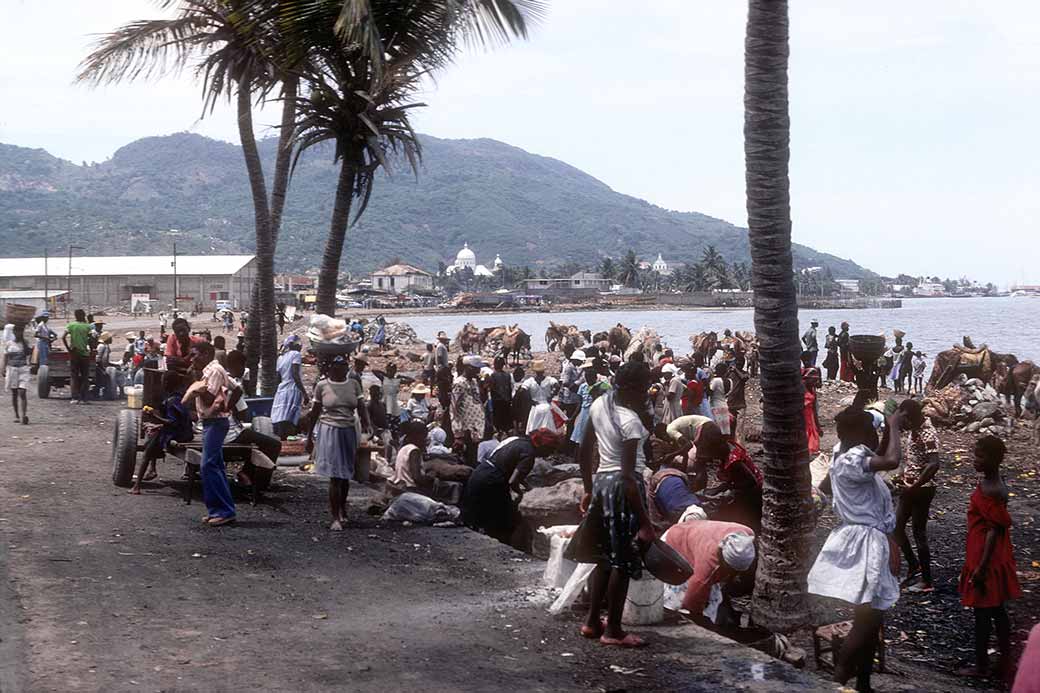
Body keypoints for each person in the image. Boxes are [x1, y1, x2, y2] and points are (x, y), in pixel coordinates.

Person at [808, 405, 906, 693]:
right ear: (858, 434)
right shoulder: (851, 461)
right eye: (870, 432)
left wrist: (888, 428)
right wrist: (895, 426)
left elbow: (880, 453)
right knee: (866, 622)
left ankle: (863, 683)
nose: (874, 437)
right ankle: (837, 682)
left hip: (868, 540)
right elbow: (891, 460)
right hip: (865, 544)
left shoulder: (846, 453)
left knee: (871, 620)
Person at [565, 362, 655, 648]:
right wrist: (645, 522)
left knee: (603, 556)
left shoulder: (599, 404)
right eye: (643, 390)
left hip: (602, 483)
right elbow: (629, 477)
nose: (645, 395)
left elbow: (583, 450)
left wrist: (589, 489)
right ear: (632, 389)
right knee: (624, 561)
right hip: (622, 488)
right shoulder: (631, 422)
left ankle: (592, 622)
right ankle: (613, 630)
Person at [957, 435, 1022, 682]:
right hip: (988, 553)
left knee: (983, 613)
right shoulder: (993, 482)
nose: (975, 460)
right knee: (997, 610)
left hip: (986, 557)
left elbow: (994, 531)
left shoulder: (991, 489)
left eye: (980, 456)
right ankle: (1005, 661)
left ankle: (982, 665)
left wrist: (982, 568)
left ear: (993, 459)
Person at [462, 429, 562, 551]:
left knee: (480, 515)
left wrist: (528, 487)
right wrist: (524, 494)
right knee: (506, 518)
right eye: (550, 450)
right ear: (543, 445)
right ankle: (506, 548)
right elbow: (512, 481)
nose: (549, 454)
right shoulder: (529, 455)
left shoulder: (518, 441)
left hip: (479, 474)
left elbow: (513, 472)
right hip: (491, 482)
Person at [306, 355, 369, 531]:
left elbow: (361, 406)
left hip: (349, 429)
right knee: (335, 475)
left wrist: (367, 424)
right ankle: (335, 517)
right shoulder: (322, 386)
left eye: (344, 365)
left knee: (346, 473)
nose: (343, 368)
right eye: (339, 365)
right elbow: (315, 412)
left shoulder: (354, 384)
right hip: (330, 430)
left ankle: (343, 510)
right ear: (331, 368)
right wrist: (309, 437)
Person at [182, 341, 237, 526]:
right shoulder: (212, 371)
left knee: (208, 466)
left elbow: (210, 398)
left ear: (206, 354)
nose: (192, 358)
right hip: (212, 422)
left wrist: (196, 388)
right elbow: (236, 388)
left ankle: (224, 511)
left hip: (215, 422)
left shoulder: (214, 371)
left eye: (195, 354)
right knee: (215, 466)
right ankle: (219, 509)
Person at [663, 521, 756, 622]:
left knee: (712, 596)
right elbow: (691, 600)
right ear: (722, 559)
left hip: (691, 530)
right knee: (677, 601)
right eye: (732, 569)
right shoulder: (707, 566)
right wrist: (698, 618)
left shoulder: (747, 534)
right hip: (674, 545)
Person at [893, 398, 941, 593]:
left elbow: (934, 464)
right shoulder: (915, 430)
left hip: (922, 490)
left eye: (904, 417)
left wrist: (915, 485)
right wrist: (903, 477)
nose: (902, 421)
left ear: (911, 415)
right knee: (896, 527)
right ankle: (914, 565)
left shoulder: (928, 432)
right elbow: (916, 460)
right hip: (911, 487)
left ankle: (927, 581)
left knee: (918, 533)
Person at [132, 370, 193, 494]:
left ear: (166, 383)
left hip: (178, 434)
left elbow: (172, 422)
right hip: (185, 432)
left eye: (163, 382)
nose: (162, 385)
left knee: (148, 450)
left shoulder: (172, 401)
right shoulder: (178, 397)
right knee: (154, 435)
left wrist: (154, 416)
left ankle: (137, 486)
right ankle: (152, 469)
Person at [223, 350, 282, 466]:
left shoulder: (220, 378)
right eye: (243, 366)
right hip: (230, 433)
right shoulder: (235, 386)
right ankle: (254, 476)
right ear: (236, 365)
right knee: (274, 444)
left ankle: (247, 473)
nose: (244, 369)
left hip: (220, 431)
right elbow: (243, 414)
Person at [647, 446, 704, 533]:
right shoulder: (679, 477)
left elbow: (654, 512)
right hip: (694, 505)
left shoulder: (654, 482)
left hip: (678, 511)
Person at [271, 335, 309, 440]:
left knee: (281, 415)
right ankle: (287, 438)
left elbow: (278, 378)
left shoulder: (281, 358)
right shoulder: (295, 355)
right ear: (294, 345)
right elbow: (295, 374)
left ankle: (281, 439)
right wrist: (304, 393)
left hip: (282, 388)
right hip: (292, 388)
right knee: (290, 417)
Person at [451, 355, 486, 466]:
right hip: (466, 428)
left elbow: (477, 401)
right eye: (476, 368)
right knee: (467, 458)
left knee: (474, 457)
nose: (478, 371)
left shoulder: (474, 382)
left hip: (476, 427)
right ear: (468, 368)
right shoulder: (459, 383)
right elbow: (454, 408)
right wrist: (458, 432)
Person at [62, 309, 93, 404]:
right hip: (85, 354)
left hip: (74, 354)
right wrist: (90, 348)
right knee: (85, 377)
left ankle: (74, 398)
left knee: (74, 376)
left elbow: (63, 337)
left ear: (75, 316)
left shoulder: (71, 325)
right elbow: (92, 338)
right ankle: (84, 398)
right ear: (84, 315)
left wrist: (68, 349)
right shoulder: (88, 326)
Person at [522, 360, 559, 433]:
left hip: (536, 406)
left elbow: (523, 390)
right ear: (543, 371)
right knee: (548, 429)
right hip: (547, 405)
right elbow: (557, 386)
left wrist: (530, 400)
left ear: (535, 371)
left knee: (534, 428)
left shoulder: (530, 381)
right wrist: (551, 395)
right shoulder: (549, 379)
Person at [4, 323, 31, 424]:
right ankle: (17, 415)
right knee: (14, 393)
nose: (18, 333)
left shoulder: (25, 343)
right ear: (14, 332)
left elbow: (30, 354)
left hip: (23, 369)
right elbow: (5, 357)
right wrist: (3, 368)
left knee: (22, 392)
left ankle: (24, 415)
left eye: (20, 331)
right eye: (17, 331)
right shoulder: (9, 344)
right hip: (12, 369)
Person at [558, 347, 583, 440]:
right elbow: (565, 382)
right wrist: (575, 385)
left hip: (573, 397)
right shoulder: (569, 368)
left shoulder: (575, 367)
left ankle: (568, 439)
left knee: (571, 420)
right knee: (570, 420)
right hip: (569, 398)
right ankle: (568, 440)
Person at [489, 356, 514, 435]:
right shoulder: (507, 375)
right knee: (506, 420)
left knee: (498, 421)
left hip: (497, 401)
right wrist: (509, 400)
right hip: (506, 401)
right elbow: (509, 389)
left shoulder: (493, 375)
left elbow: (492, 388)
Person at [803, 364, 822, 457]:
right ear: (806, 379)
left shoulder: (812, 390)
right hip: (802, 417)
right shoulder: (801, 390)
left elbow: (814, 409)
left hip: (810, 417)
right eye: (814, 380)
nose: (816, 382)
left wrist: (818, 426)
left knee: (813, 439)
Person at [708, 362, 731, 435]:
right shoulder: (730, 381)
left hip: (715, 406)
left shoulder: (716, 380)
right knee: (724, 430)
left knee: (716, 429)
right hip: (724, 405)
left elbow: (710, 392)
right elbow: (728, 393)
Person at [92, 331, 114, 399]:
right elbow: (98, 359)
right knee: (100, 381)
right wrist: (102, 368)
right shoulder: (101, 346)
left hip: (103, 366)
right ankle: (97, 394)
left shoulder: (105, 346)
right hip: (100, 366)